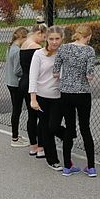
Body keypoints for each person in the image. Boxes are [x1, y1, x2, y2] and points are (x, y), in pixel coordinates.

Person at [54, 24, 97, 177]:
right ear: (89, 36)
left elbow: (55, 72)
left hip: (66, 92)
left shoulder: (64, 48)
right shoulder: (89, 51)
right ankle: (91, 166)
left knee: (69, 127)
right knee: (85, 128)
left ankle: (67, 166)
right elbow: (89, 75)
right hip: (83, 92)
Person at [29, 26, 66, 171]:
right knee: (46, 128)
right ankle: (52, 160)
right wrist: (33, 98)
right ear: (46, 39)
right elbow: (33, 77)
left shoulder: (64, 54)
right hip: (42, 96)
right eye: (51, 39)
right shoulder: (39, 54)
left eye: (57, 39)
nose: (54, 42)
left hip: (59, 96)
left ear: (62, 39)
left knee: (53, 126)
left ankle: (66, 135)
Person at [19, 24, 48, 158]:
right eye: (44, 37)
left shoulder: (24, 44)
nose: (44, 40)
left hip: (24, 81)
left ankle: (33, 146)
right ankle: (41, 147)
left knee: (31, 116)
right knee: (41, 116)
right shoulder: (36, 48)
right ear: (39, 32)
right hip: (34, 83)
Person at [4, 27, 29, 147]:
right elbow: (17, 70)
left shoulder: (10, 48)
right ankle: (15, 138)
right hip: (16, 83)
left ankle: (15, 136)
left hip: (10, 82)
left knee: (16, 109)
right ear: (22, 37)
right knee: (17, 110)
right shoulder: (17, 51)